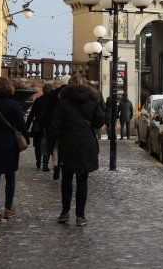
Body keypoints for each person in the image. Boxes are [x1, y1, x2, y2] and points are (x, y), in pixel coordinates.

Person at [49, 76, 105, 226]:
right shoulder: (92, 100)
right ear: (84, 85)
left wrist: (51, 146)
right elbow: (100, 121)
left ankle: (65, 212)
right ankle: (80, 216)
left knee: (66, 179)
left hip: (67, 144)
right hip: (86, 144)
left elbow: (55, 125)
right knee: (82, 180)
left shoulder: (63, 102)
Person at [0, 76, 29, 224]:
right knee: (10, 177)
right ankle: (8, 210)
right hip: (9, 144)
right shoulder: (14, 105)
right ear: (9, 88)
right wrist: (26, 139)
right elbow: (22, 126)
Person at [26, 83, 55, 169]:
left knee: (38, 145)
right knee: (48, 144)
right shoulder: (54, 101)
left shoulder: (38, 100)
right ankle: (45, 164)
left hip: (38, 126)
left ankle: (38, 162)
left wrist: (26, 127)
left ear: (43, 90)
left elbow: (31, 115)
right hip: (50, 126)